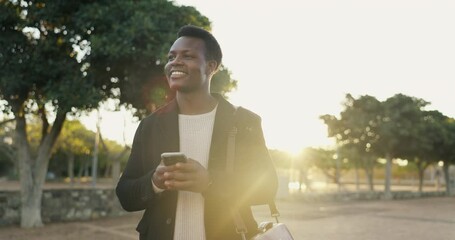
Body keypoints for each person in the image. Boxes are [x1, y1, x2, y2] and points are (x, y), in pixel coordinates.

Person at [116, 25, 278, 240]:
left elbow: (266, 187)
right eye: (171, 56)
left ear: (211, 66)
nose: (175, 62)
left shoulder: (244, 122)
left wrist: (209, 182)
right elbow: (126, 195)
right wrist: (154, 182)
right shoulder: (151, 125)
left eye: (187, 56)